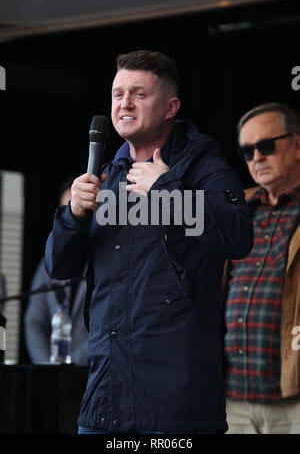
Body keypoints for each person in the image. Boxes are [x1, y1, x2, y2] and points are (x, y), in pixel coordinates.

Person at [45, 50, 253, 434]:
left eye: (139, 94)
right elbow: (59, 267)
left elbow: (238, 236)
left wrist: (166, 189)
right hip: (105, 399)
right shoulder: (106, 175)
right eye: (118, 93)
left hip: (176, 408)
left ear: (171, 106)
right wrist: (72, 214)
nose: (124, 103)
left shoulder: (202, 164)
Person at [224, 102, 300, 434]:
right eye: (247, 150)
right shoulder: (236, 209)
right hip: (231, 397)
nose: (256, 157)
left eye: (266, 146)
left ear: (297, 145)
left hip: (293, 399)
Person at [25, 178, 88, 366]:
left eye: (80, 209)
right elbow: (34, 321)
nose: (75, 216)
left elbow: (109, 325)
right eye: (68, 210)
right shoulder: (48, 263)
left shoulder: (108, 259)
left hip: (91, 371)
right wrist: (47, 366)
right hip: (52, 374)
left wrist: (72, 366)